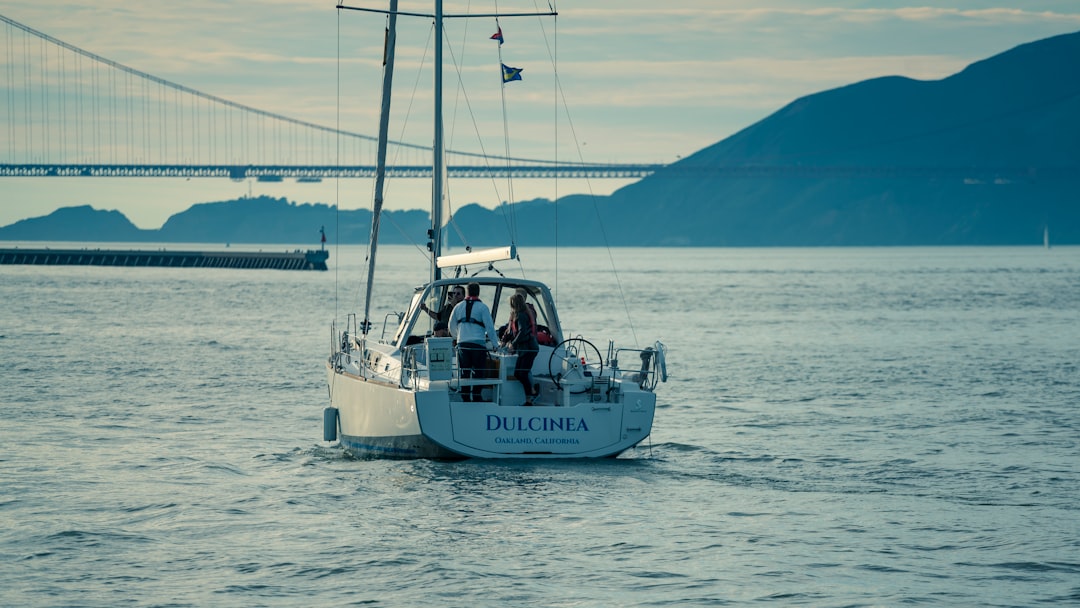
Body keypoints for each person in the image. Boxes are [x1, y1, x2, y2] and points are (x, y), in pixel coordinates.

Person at [448, 282, 497, 402]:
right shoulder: (483, 307)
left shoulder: (458, 307)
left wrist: (457, 336)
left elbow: (451, 326)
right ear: (478, 292)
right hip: (478, 345)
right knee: (478, 372)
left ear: (467, 292)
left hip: (462, 344)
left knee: (464, 372)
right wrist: (495, 345)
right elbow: (490, 328)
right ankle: (476, 396)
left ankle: (465, 397)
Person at [504, 292, 540, 405]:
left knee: (523, 374)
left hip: (529, 349)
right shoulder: (519, 315)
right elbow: (513, 332)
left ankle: (529, 399)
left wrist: (513, 344)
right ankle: (532, 390)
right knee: (517, 373)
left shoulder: (521, 316)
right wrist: (505, 340)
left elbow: (522, 331)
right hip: (524, 349)